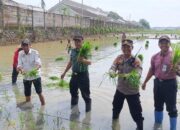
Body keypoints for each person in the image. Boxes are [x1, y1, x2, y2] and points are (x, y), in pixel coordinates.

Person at [142, 35, 179, 130]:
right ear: (159, 44)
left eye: (166, 42)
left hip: (170, 85)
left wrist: (177, 69)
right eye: (162, 43)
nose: (164, 44)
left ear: (169, 44)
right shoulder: (154, 57)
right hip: (158, 84)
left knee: (172, 109)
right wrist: (145, 82)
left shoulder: (175, 56)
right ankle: (157, 126)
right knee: (158, 106)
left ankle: (173, 128)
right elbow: (152, 70)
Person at [109, 39, 144, 130]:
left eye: (128, 47)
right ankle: (114, 124)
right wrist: (112, 72)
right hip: (120, 90)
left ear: (132, 48)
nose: (126, 48)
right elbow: (113, 67)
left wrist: (131, 75)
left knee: (136, 113)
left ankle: (140, 127)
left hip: (132, 92)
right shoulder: (119, 58)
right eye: (124, 46)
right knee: (116, 108)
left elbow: (138, 73)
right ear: (121, 48)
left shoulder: (136, 60)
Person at [61, 33, 92, 112]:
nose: (77, 43)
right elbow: (71, 62)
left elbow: (90, 62)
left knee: (85, 95)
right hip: (74, 75)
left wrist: (83, 60)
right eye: (75, 41)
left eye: (79, 41)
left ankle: (88, 115)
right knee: (73, 93)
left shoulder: (86, 50)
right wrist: (64, 72)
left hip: (83, 76)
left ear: (82, 41)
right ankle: (74, 112)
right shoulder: (73, 51)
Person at [17, 38, 45, 106]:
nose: (25, 47)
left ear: (30, 45)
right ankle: (28, 109)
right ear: (22, 46)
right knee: (27, 94)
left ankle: (43, 106)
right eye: (23, 45)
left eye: (26, 45)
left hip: (36, 76)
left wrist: (34, 70)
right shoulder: (20, 53)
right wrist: (21, 69)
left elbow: (39, 64)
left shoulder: (35, 52)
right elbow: (19, 65)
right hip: (26, 77)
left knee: (39, 93)